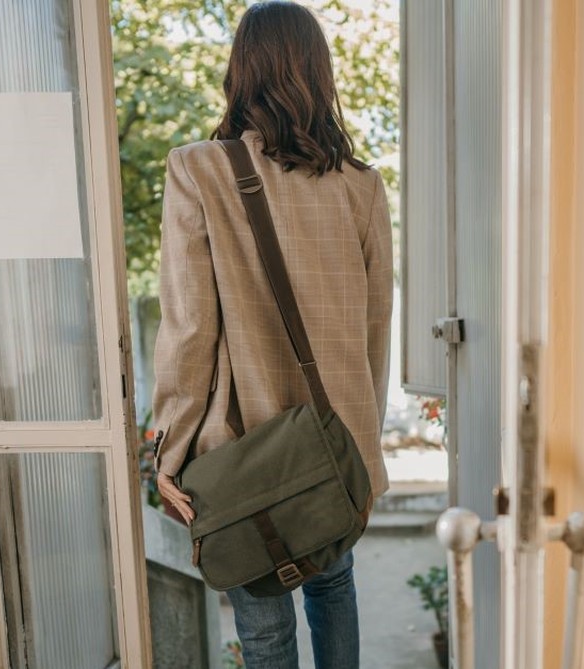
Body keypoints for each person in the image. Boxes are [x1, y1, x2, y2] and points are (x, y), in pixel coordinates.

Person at [149, 2, 393, 667]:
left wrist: (169, 443)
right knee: (334, 586)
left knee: (263, 629)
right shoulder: (362, 187)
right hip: (336, 439)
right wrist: (364, 451)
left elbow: (189, 324)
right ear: (319, 74)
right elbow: (375, 329)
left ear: (241, 70)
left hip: (241, 444)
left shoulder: (198, 170)